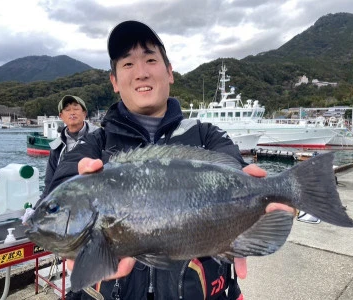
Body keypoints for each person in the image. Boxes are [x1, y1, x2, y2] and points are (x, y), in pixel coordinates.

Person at [46, 20, 294, 300]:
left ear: (169, 72)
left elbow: (232, 167)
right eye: (127, 64)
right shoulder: (96, 142)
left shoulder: (205, 134)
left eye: (150, 59)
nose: (141, 73)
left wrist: (262, 197)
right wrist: (75, 191)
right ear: (114, 82)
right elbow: (62, 185)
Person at [38, 95, 99, 206]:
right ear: (61, 116)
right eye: (67, 110)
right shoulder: (57, 147)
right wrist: (35, 209)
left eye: (76, 108)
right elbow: (49, 185)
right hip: (66, 205)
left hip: (94, 200)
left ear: (84, 113)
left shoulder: (100, 137)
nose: (72, 113)